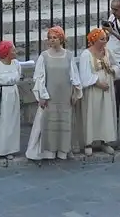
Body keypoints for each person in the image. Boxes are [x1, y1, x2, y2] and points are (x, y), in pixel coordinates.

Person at [26, 26, 81, 161]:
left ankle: (63, 150)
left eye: (54, 38)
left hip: (65, 95)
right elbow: (39, 77)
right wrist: (42, 96)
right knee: (48, 122)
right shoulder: (44, 56)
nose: (51, 40)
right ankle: (49, 151)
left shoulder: (68, 55)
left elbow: (74, 75)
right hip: (50, 96)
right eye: (49, 38)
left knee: (65, 121)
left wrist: (75, 93)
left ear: (61, 39)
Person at [75, 28, 118, 155]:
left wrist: (112, 70)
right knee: (92, 114)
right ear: (94, 40)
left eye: (105, 38)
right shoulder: (86, 54)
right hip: (93, 89)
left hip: (107, 88)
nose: (105, 41)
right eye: (102, 39)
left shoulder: (108, 52)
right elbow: (84, 74)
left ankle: (105, 141)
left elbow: (116, 66)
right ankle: (89, 142)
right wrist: (98, 83)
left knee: (106, 114)